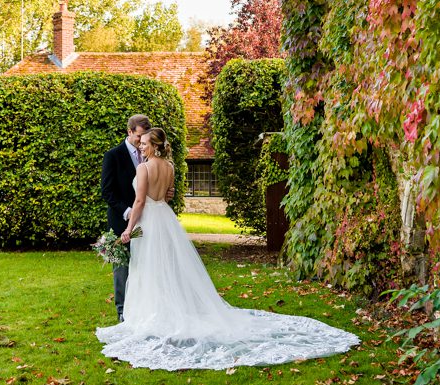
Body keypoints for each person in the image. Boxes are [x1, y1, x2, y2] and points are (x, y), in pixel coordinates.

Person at [96, 128, 360, 370]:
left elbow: (140, 200)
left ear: (153, 146)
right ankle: (169, 308)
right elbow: (167, 196)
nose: (140, 147)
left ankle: (153, 314)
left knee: (148, 267)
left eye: (143, 144)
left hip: (149, 221)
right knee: (167, 266)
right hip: (165, 218)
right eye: (139, 143)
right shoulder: (170, 167)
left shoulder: (143, 169)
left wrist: (129, 228)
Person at [100, 114, 152, 322]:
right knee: (121, 267)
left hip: (147, 220)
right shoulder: (113, 156)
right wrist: (127, 211)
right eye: (139, 136)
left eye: (145, 137)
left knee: (146, 263)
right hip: (121, 220)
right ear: (130, 132)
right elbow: (107, 192)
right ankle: (122, 310)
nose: (142, 141)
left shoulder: (149, 154)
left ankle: (143, 307)